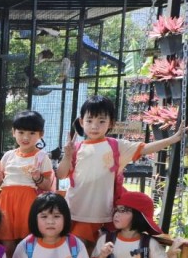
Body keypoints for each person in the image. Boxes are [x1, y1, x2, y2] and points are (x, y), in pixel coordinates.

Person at [55, 95, 184, 249]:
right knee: (76, 250)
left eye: (101, 121)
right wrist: (67, 155)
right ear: (82, 122)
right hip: (74, 209)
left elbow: (145, 148)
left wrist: (172, 139)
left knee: (90, 250)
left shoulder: (117, 146)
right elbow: (60, 174)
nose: (95, 126)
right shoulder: (76, 148)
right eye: (89, 121)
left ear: (111, 123)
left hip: (104, 213)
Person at [0, 110, 53, 258]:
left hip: (29, 202)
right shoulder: (8, 155)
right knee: (7, 239)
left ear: (41, 134)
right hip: (6, 201)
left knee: (28, 239)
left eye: (32, 133)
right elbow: (3, 182)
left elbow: (47, 186)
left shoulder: (42, 157)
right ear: (13, 132)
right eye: (21, 132)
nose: (26, 137)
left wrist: (37, 178)